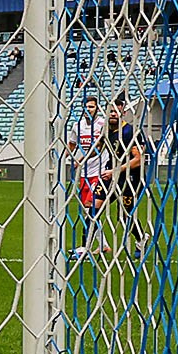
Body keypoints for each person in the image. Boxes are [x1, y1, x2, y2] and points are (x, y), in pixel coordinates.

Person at [104, 97, 149, 255]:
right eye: (111, 111)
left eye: (117, 111)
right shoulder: (107, 131)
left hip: (131, 179)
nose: (114, 114)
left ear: (123, 112)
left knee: (124, 216)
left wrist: (115, 170)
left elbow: (137, 160)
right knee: (92, 205)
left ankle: (141, 238)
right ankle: (89, 245)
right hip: (112, 177)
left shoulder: (130, 131)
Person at [72, 92, 112, 260]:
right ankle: (103, 244)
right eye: (86, 106)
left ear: (97, 108)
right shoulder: (77, 126)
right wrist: (71, 157)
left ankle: (85, 246)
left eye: (92, 106)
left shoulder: (103, 124)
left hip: (100, 171)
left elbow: (104, 144)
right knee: (87, 210)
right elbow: (72, 144)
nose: (89, 109)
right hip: (84, 172)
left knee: (90, 207)